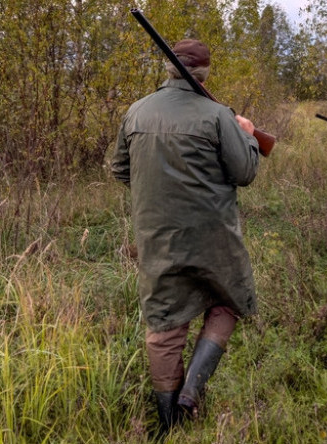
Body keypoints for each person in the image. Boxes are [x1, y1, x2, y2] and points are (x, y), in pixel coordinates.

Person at [110, 38, 260, 437]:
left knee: (164, 324)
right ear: (205, 74)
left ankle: (169, 420)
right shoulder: (216, 115)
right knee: (229, 301)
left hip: (157, 239)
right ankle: (192, 389)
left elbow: (120, 171)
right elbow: (245, 172)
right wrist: (245, 133)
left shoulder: (135, 112)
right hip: (215, 237)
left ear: (168, 68)